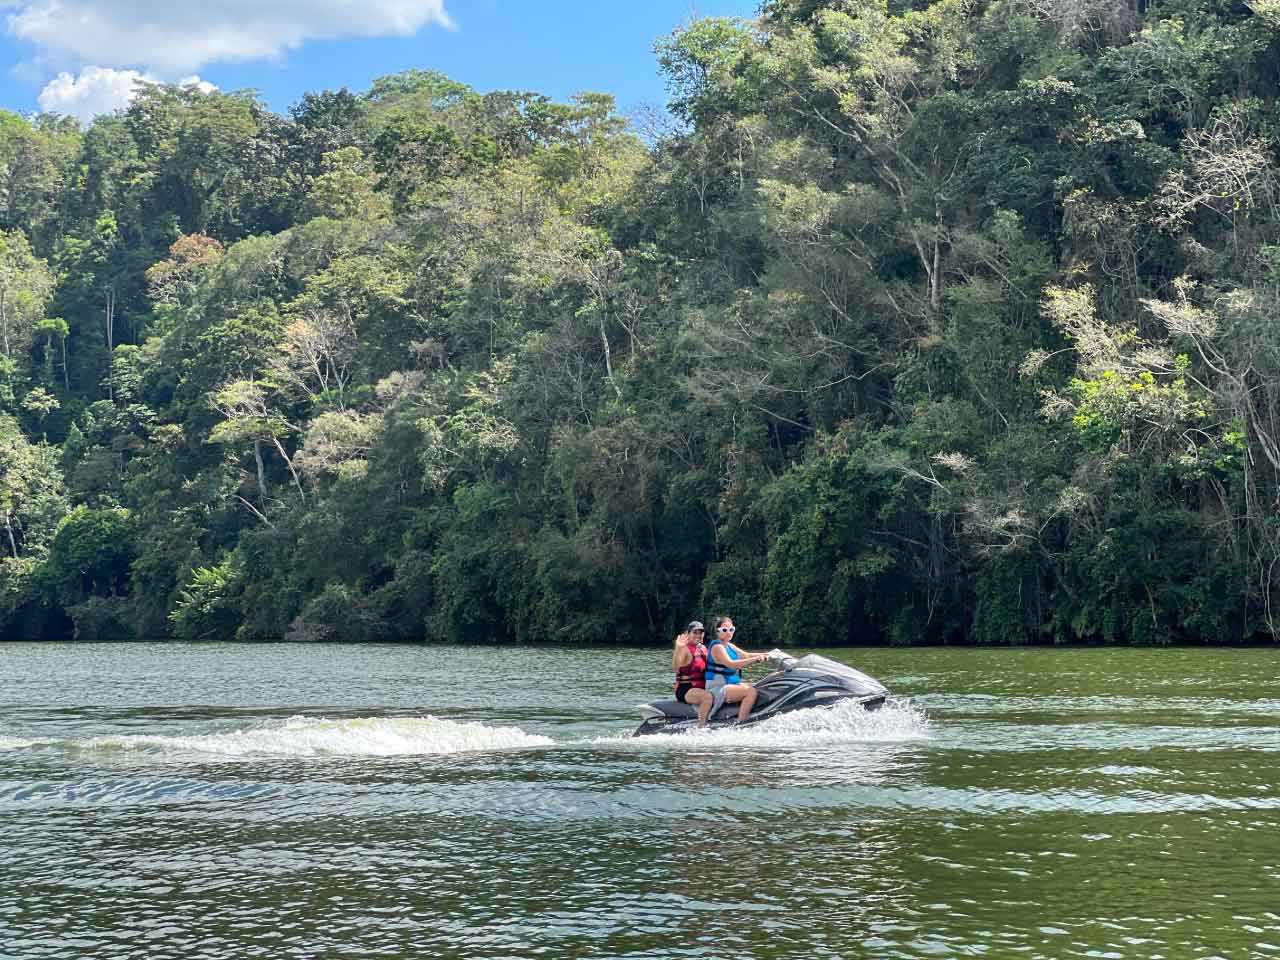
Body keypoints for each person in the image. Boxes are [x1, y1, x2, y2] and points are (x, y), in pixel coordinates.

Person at [705, 616, 770, 723]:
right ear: (717, 631)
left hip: (731, 684)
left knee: (758, 686)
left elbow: (746, 655)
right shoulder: (717, 647)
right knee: (751, 692)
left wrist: (768, 654)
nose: (729, 633)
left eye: (731, 629)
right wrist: (755, 659)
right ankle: (741, 722)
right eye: (724, 630)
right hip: (718, 688)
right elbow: (731, 664)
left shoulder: (729, 645)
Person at [671, 621, 715, 727]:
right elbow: (676, 667)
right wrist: (678, 648)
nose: (698, 635)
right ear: (688, 634)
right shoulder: (685, 649)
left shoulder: (703, 648)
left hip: (702, 687)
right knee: (707, 697)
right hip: (686, 689)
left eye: (700, 633)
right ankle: (701, 728)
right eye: (695, 632)